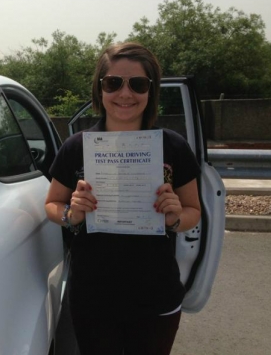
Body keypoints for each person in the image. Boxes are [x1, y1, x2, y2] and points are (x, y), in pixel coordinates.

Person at [45, 42, 201, 354]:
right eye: (113, 83)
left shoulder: (173, 146)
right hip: (93, 295)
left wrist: (174, 217)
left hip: (156, 295)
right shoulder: (77, 147)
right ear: (99, 89)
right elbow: (52, 204)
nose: (125, 94)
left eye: (138, 84)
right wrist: (70, 215)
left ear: (151, 90)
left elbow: (193, 211)